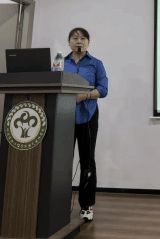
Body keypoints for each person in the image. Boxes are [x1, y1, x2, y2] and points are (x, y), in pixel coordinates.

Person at [64, 27, 108, 222]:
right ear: (69, 42)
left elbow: (103, 89)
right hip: (63, 116)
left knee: (87, 160)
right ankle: (59, 202)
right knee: (61, 161)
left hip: (88, 115)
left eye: (83, 38)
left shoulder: (96, 64)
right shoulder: (60, 63)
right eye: (75, 38)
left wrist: (84, 96)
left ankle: (87, 205)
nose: (79, 41)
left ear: (88, 43)